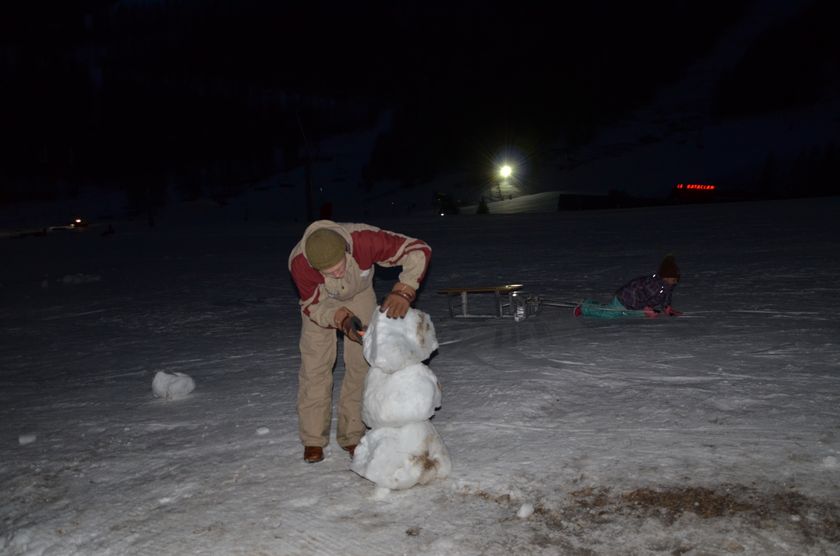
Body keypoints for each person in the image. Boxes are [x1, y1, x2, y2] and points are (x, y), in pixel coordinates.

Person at [288, 220, 431, 463]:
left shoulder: (365, 240)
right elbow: (312, 304)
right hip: (321, 302)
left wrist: (404, 289)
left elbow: (418, 249)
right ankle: (313, 440)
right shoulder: (300, 263)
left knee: (361, 364)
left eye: (339, 266)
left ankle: (352, 434)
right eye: (328, 272)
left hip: (360, 293)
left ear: (346, 250)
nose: (336, 273)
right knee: (315, 367)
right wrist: (340, 318)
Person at [575, 254, 683, 319]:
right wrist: (645, 309)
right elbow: (639, 298)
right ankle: (584, 307)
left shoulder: (668, 285)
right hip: (626, 299)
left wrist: (666, 307)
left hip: (635, 304)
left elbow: (667, 295)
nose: (674, 282)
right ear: (665, 277)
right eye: (673, 279)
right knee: (609, 314)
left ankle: (593, 304)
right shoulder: (653, 285)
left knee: (631, 314)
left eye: (675, 280)